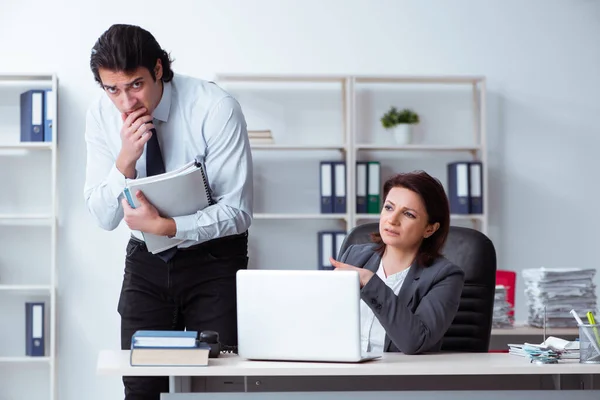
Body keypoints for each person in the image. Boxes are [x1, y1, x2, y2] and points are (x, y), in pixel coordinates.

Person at [83, 24, 253, 399]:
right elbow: (103, 216)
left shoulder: (215, 108)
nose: (126, 102)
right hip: (146, 264)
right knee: (142, 388)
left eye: (136, 85)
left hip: (214, 262)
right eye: (113, 89)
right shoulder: (101, 115)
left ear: (158, 69)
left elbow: (237, 211)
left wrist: (168, 226)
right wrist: (125, 161)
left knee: (215, 387)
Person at [331, 171, 464, 355]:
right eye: (389, 207)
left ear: (430, 228)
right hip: (342, 372)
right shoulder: (355, 256)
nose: (392, 220)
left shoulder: (445, 276)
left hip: (400, 378)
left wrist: (370, 282)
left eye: (408, 214)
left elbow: (415, 342)